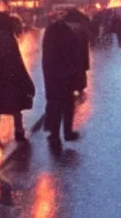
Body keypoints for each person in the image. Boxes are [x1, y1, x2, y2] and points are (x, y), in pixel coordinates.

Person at [0, 11, 35, 146]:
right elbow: (16, 62)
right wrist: (25, 81)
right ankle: (19, 132)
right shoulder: (8, 38)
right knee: (15, 108)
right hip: (10, 79)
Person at [42, 9, 85, 146]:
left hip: (52, 75)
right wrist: (77, 79)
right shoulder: (68, 34)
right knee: (66, 105)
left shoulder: (53, 30)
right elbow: (74, 58)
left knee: (55, 104)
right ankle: (66, 132)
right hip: (64, 76)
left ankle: (54, 133)